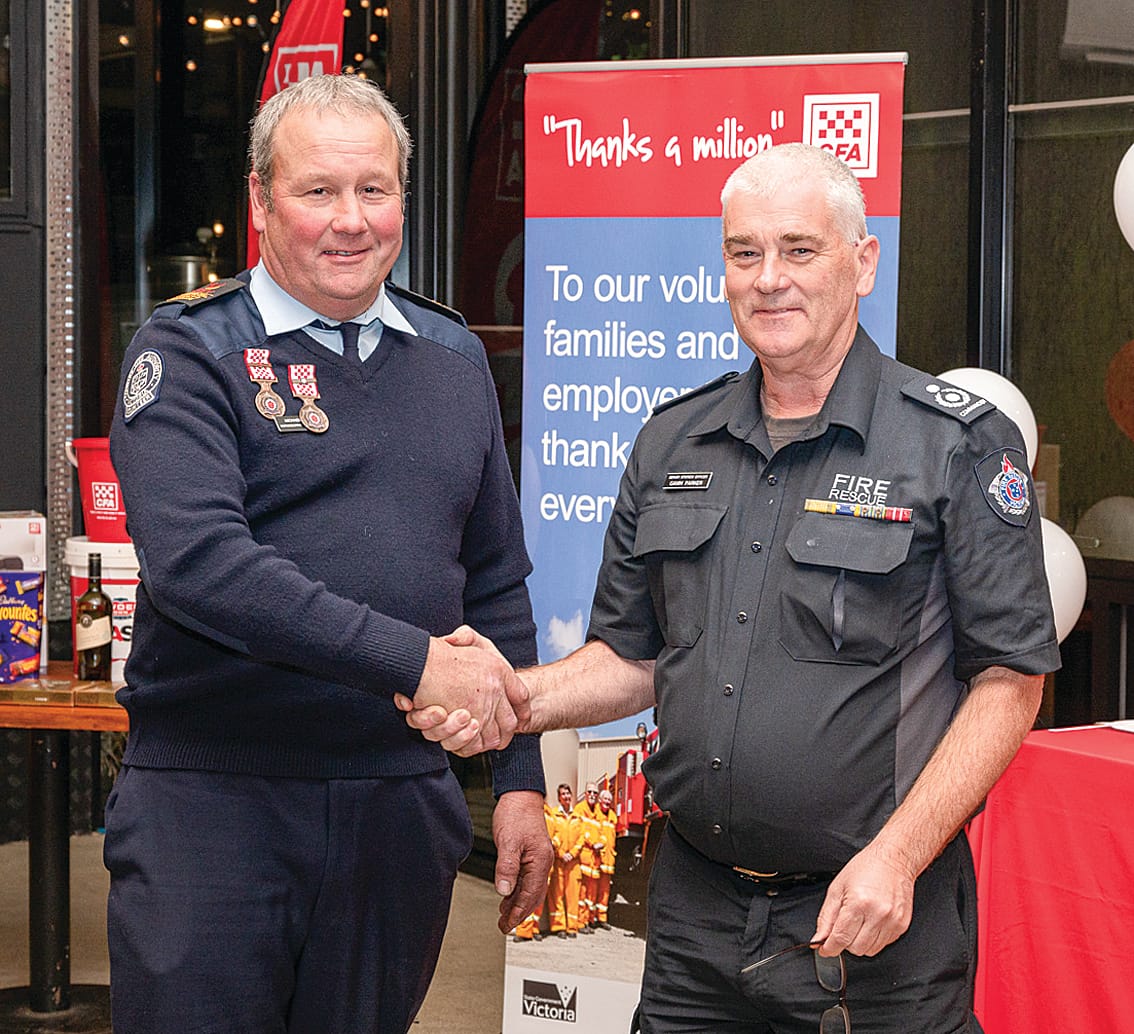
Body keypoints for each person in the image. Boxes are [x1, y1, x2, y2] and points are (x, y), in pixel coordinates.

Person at [401, 143, 1061, 1032]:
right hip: (694, 920)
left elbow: (1010, 682)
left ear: (862, 262)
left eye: (799, 249)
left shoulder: (953, 446)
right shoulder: (675, 442)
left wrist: (899, 859)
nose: (768, 279)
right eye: (744, 253)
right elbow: (633, 660)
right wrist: (508, 697)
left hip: (868, 924)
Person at [106, 73, 550, 1034]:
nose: (350, 220)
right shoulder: (185, 352)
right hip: (214, 807)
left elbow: (496, 585)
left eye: (375, 190)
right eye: (318, 192)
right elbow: (203, 568)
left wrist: (518, 786)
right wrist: (419, 660)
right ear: (261, 202)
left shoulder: (453, 356)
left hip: (398, 810)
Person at [546, 783, 585, 938]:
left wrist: (573, 854)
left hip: (574, 863)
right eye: (563, 794)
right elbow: (552, 836)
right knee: (557, 895)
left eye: (568, 794)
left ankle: (572, 928)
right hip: (559, 861)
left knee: (573, 895)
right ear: (559, 798)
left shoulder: (578, 818)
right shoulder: (555, 816)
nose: (566, 797)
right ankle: (559, 927)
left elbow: (581, 839)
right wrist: (561, 854)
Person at [572, 780, 603, 932]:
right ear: (585, 794)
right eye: (590, 792)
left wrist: (601, 843)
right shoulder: (579, 809)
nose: (592, 795)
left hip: (595, 861)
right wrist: (593, 843)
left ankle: (588, 921)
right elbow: (580, 832)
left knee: (591, 894)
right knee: (581, 893)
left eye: (595, 793)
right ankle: (580, 923)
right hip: (584, 858)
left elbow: (604, 833)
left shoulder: (598, 813)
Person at [593, 787, 618, 928]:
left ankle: (602, 918)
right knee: (591, 892)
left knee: (605, 892)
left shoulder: (613, 817)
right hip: (596, 859)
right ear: (600, 800)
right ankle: (589, 920)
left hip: (608, 861)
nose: (607, 802)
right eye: (605, 799)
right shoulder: (595, 814)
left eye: (609, 799)